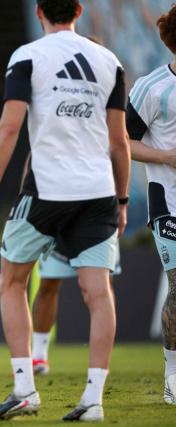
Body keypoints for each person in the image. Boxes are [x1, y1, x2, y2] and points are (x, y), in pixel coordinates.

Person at [0, 0, 130, 421]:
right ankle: (94, 400)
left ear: (41, 10)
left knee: (12, 280)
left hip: (46, 190)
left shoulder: (28, 56)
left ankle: (25, 388)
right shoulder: (109, 61)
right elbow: (119, 142)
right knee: (98, 294)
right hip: (98, 192)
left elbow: (10, 126)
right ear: (79, 11)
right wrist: (122, 200)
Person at [126, 4, 176, 406]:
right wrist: (167, 157)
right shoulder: (152, 87)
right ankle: (173, 377)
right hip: (168, 203)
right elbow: (124, 141)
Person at [32, 247, 121, 375]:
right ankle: (38, 357)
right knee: (48, 282)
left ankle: (101, 365)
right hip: (59, 230)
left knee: (103, 285)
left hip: (98, 230)